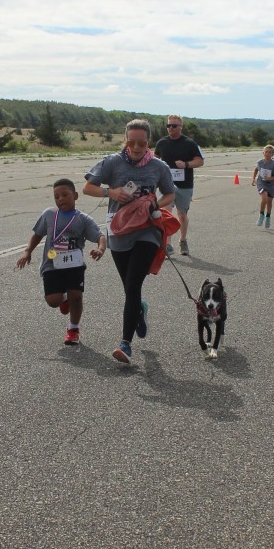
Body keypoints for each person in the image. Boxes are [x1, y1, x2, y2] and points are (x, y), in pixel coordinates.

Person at [84, 119, 176, 365]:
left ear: (148, 142)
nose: (136, 147)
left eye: (142, 143)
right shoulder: (112, 162)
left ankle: (125, 344)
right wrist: (110, 192)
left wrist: (155, 204)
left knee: (133, 285)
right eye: (131, 142)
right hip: (119, 230)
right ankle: (139, 309)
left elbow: (170, 193)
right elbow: (88, 188)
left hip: (147, 231)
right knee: (129, 288)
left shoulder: (158, 166)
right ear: (125, 140)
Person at [16, 178, 106, 346]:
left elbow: (100, 236)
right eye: (56, 197)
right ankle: (64, 299)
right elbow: (37, 234)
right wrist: (27, 251)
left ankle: (73, 329)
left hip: (74, 265)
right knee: (53, 301)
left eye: (65, 195)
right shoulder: (49, 215)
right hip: (52, 265)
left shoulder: (83, 219)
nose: (60, 199)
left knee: (76, 298)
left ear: (75, 196)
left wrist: (100, 249)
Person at [153, 116, 204, 257]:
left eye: (174, 126)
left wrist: (186, 164)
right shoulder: (162, 142)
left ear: (181, 127)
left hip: (184, 185)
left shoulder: (189, 143)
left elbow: (200, 161)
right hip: (166, 185)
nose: (170, 128)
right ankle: (167, 244)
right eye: (168, 125)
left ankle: (183, 240)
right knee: (166, 214)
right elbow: (154, 159)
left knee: (182, 214)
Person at [252, 144, 274, 227]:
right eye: (266, 152)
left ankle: (268, 217)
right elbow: (256, 169)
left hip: (271, 185)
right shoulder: (260, 162)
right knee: (264, 197)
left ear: (272, 154)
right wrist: (253, 178)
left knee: (269, 201)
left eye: (270, 152)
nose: (267, 154)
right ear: (263, 153)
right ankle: (261, 215)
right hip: (261, 183)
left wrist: (270, 178)